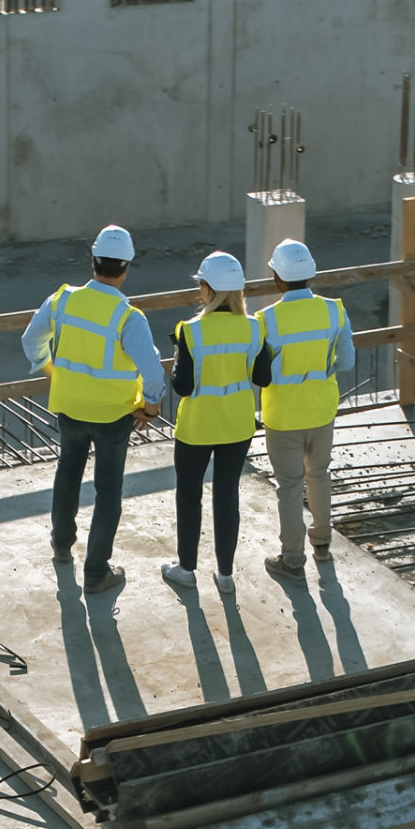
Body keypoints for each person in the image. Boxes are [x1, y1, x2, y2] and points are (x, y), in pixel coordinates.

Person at [22, 225, 166, 594]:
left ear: (93, 260)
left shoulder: (63, 300)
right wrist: (150, 408)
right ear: (127, 267)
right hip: (113, 416)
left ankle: (61, 545)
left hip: (69, 407)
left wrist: (51, 370)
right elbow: (152, 372)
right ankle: (96, 571)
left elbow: (31, 339)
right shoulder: (128, 316)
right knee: (107, 491)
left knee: (67, 473)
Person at [162, 251, 261, 595]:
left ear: (207, 289)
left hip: (197, 427)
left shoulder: (189, 331)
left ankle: (186, 569)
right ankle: (226, 575)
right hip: (237, 425)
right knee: (226, 494)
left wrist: (178, 358)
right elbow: (262, 375)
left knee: (189, 495)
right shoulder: (254, 328)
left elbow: (183, 386)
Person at [255, 239, 352, 583]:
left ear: (277, 279)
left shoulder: (266, 320)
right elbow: (348, 360)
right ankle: (322, 543)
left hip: (283, 417)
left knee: (290, 487)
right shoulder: (333, 311)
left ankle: (292, 559)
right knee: (319, 475)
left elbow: (257, 372)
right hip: (322, 410)